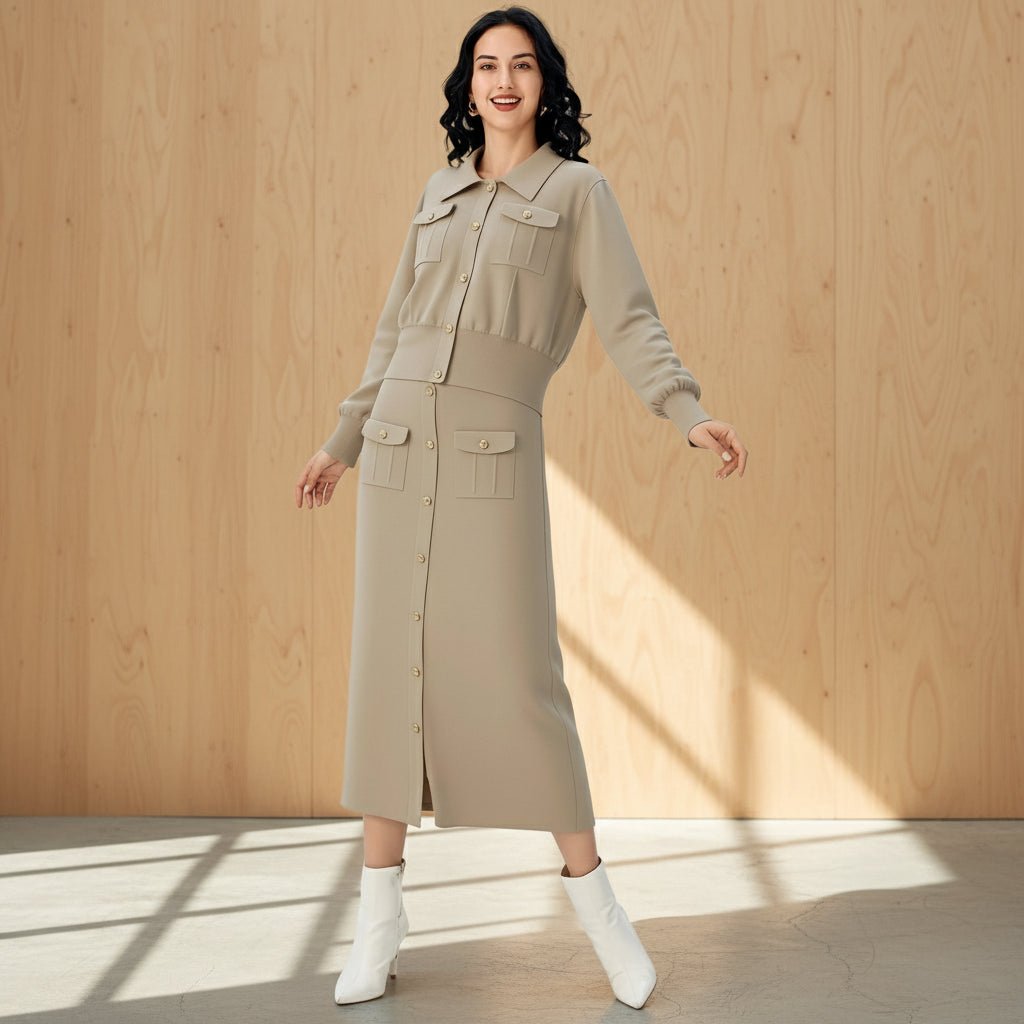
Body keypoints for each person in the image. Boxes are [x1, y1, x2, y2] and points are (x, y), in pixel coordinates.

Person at [295, 5, 748, 1010]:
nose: (503, 80)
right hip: (397, 453)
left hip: (492, 458)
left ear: (546, 83)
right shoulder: (438, 192)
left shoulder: (579, 192)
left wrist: (687, 413)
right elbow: (392, 334)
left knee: (522, 681)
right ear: (468, 84)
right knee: (387, 682)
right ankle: (378, 922)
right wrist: (342, 442)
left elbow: (629, 320)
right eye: (487, 64)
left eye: (522, 65)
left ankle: (601, 914)